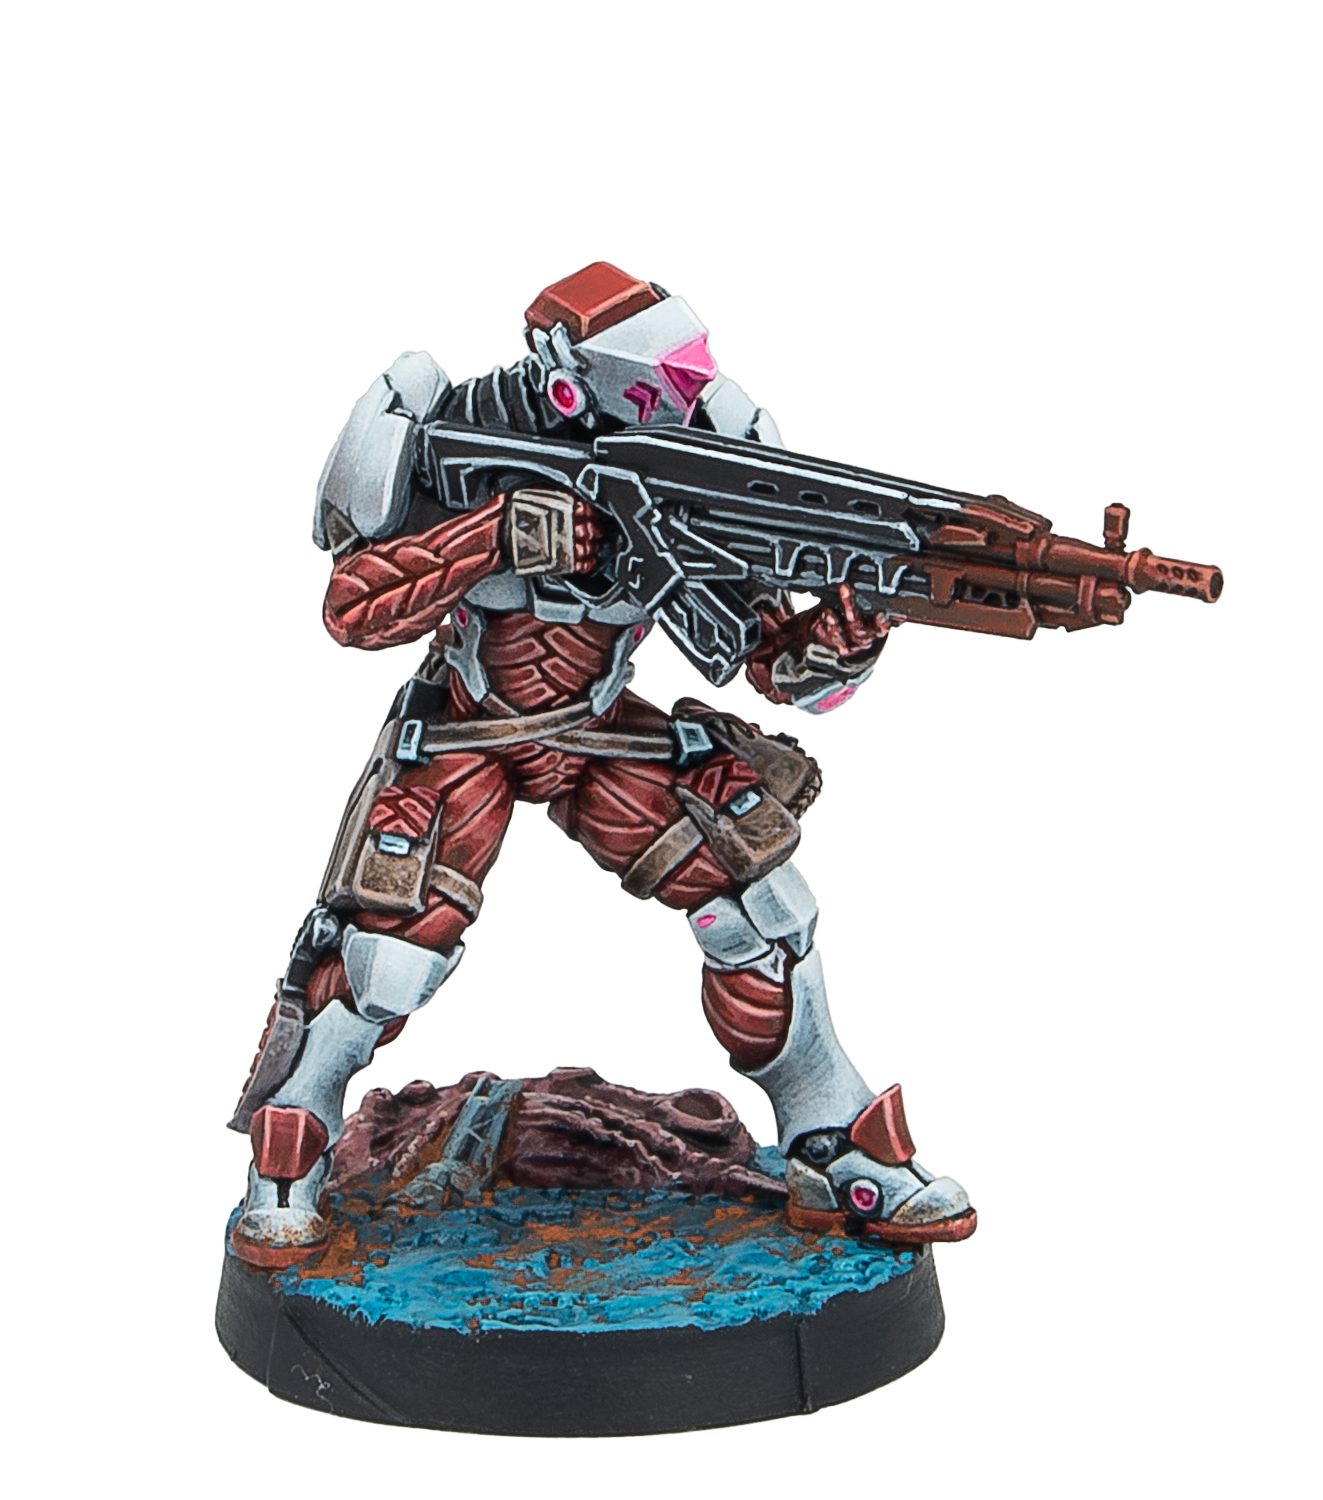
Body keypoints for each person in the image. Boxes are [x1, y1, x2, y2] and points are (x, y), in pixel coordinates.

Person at [228, 262, 976, 1265]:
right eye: (655, 391)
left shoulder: (705, 453)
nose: (682, 408)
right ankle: (291, 1155)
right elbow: (354, 608)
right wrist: (499, 533)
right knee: (386, 955)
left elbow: (771, 659)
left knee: (762, 910)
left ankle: (826, 1137)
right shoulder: (442, 423)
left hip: (598, 729)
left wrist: (838, 642)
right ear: (571, 380)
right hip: (468, 727)